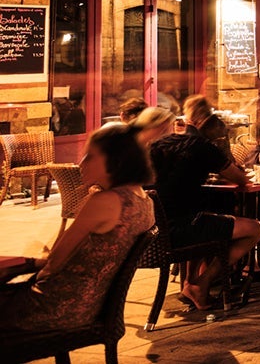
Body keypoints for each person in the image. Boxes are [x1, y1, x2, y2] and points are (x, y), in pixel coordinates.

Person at [0, 124, 155, 334]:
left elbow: (55, 262)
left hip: (53, 307)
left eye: (90, 157)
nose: (81, 163)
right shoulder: (144, 201)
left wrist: (24, 266)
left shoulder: (105, 201)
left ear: (115, 160)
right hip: (90, 307)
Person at [138, 106, 260, 311]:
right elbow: (241, 179)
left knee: (204, 217)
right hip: (182, 229)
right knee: (255, 229)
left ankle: (189, 284)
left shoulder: (152, 148)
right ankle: (202, 283)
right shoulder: (201, 146)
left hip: (150, 233)